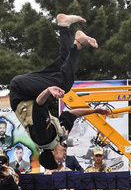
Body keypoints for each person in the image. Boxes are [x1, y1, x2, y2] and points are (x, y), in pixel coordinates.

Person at [8, 13, 109, 171]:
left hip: (21, 91)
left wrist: (48, 90)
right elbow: (70, 115)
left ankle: (77, 44)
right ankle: (65, 27)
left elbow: (39, 104)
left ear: (53, 156)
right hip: (28, 90)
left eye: (59, 161)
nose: (63, 158)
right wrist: (94, 110)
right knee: (63, 63)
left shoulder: (43, 138)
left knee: (64, 84)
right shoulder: (57, 137)